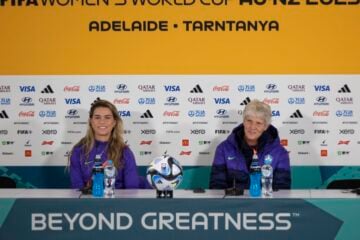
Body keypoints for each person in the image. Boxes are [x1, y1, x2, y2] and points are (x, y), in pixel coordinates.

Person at [209, 99, 291, 190]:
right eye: (249, 121)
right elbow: (216, 187)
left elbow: (282, 191)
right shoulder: (223, 149)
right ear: (243, 121)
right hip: (231, 203)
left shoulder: (280, 153)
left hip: (265, 203)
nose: (252, 127)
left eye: (258, 123)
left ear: (266, 126)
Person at [69, 99, 140, 189]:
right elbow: (77, 188)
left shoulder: (124, 151)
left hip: (118, 201)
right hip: (88, 201)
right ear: (91, 121)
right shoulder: (78, 151)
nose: (102, 121)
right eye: (97, 117)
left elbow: (132, 189)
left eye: (107, 117)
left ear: (114, 122)